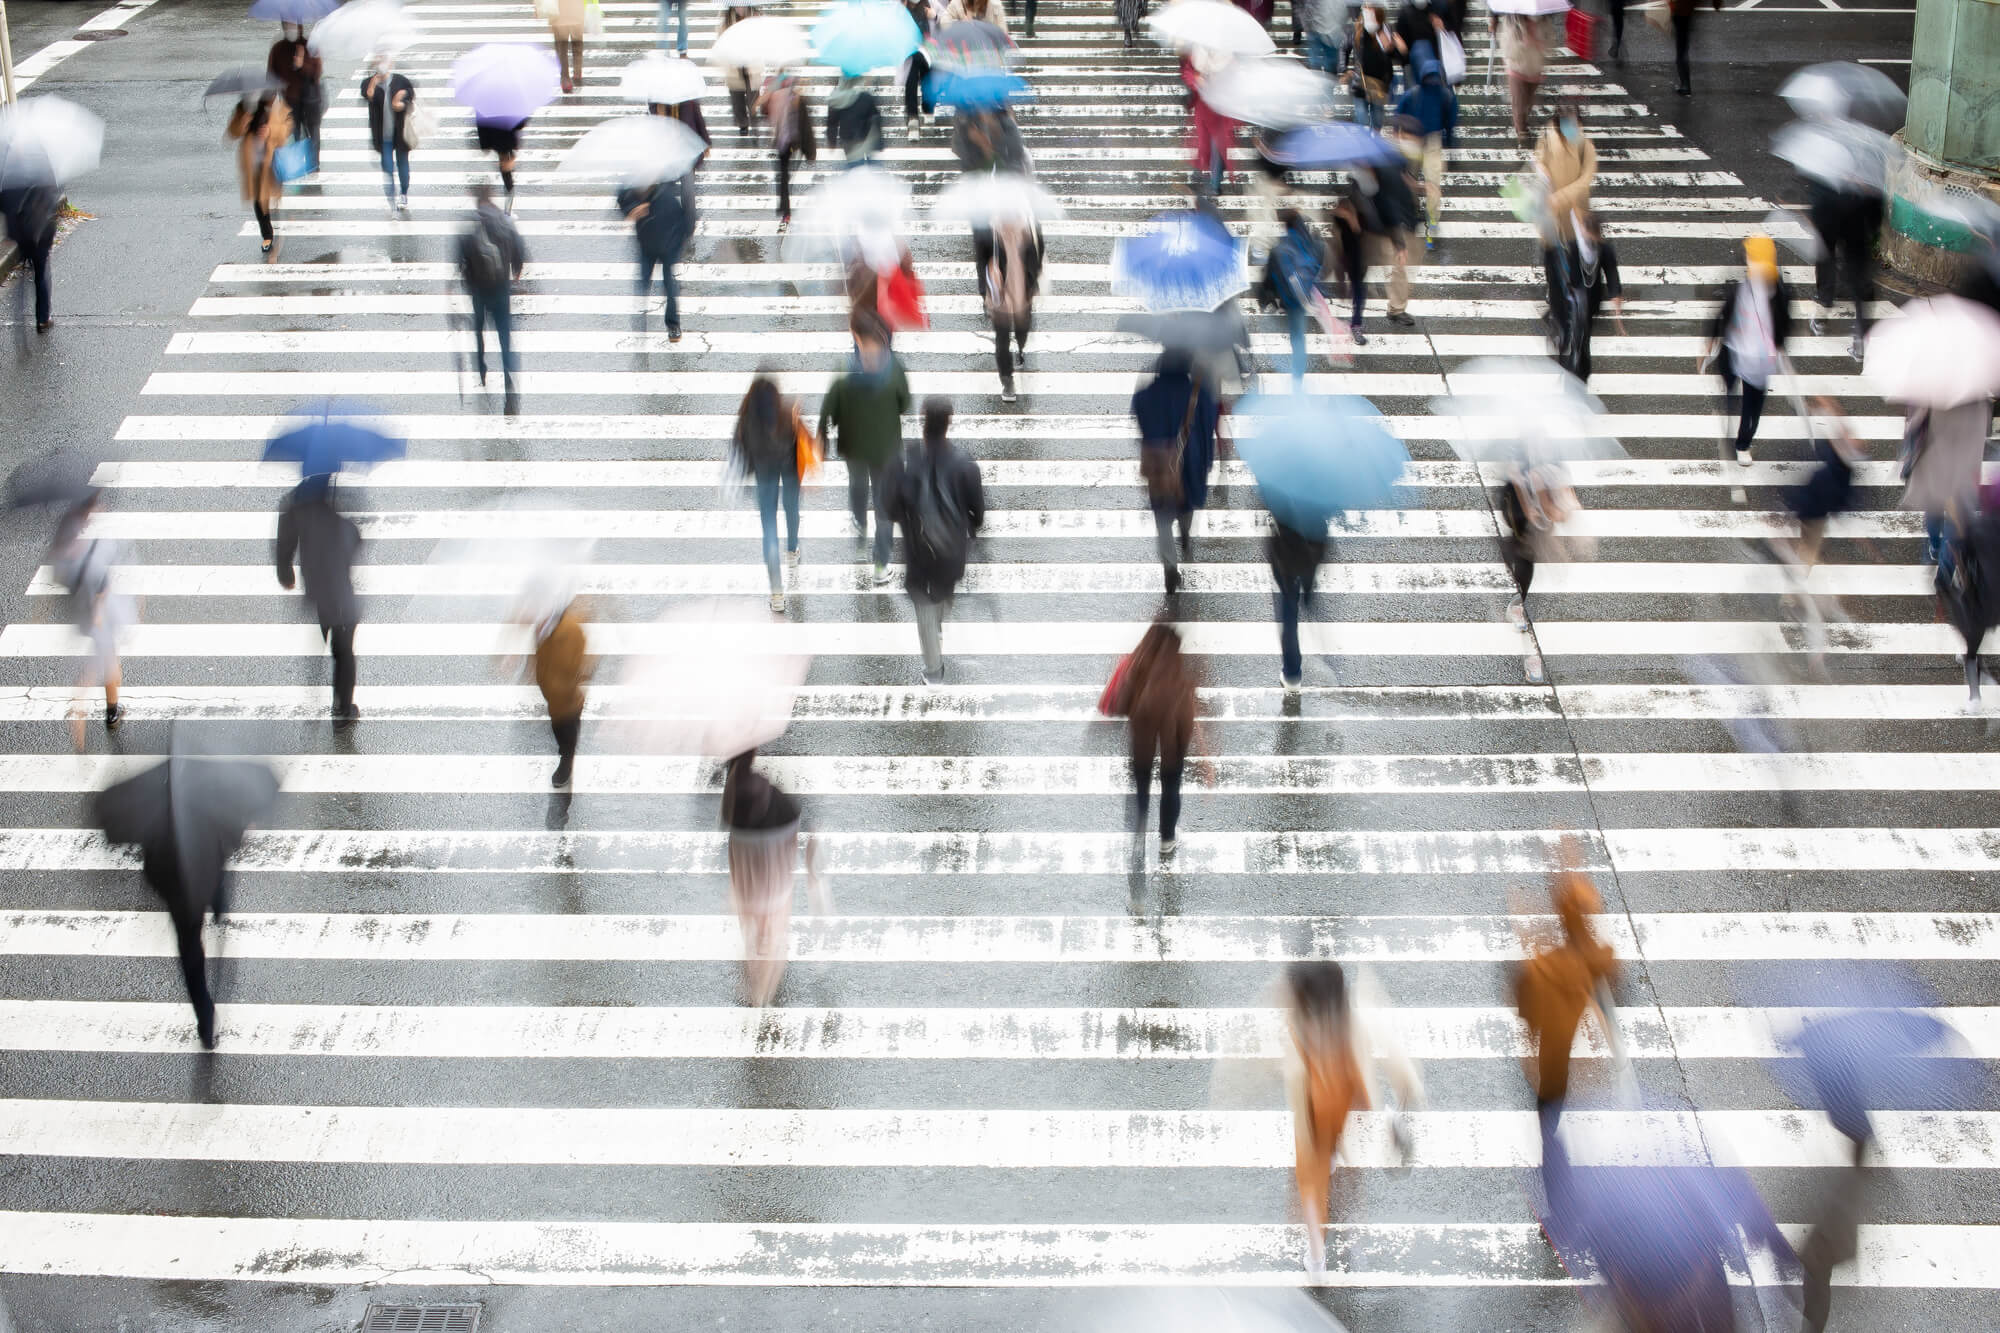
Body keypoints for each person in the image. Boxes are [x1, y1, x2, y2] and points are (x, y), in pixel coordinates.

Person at [1281, 962, 1423, 1272]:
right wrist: (1405, 1093)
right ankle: (1353, 1243)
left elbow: (1294, 1076)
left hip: (1316, 1108)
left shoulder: (1300, 1027)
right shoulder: (1353, 1019)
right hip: (1350, 1098)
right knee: (1351, 1180)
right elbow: (1395, 1056)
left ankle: (1316, 1258)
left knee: (1311, 1183)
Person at [1512, 836, 1628, 1176]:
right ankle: (1552, 1150)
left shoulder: (1544, 965)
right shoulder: (1594, 959)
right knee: (1552, 1096)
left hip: (1551, 1056)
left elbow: (1527, 1004)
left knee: (1549, 1099)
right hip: (1557, 1053)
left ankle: (1550, 1155)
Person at [883, 397, 986, 684]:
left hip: (919, 551)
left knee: (924, 608)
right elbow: (978, 515)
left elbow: (890, 508)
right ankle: (937, 627)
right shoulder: (965, 464)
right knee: (941, 597)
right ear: (948, 423)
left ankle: (933, 671)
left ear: (923, 421)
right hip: (952, 554)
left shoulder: (908, 462)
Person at [721, 749, 826, 1006]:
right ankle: (763, 992)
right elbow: (804, 834)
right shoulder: (782, 805)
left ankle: (756, 986)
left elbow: (732, 855)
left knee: (753, 932)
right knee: (775, 937)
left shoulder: (733, 813)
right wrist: (813, 876)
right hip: (776, 887)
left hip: (747, 890)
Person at [819, 313, 912, 584]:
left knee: (857, 488)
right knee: (884, 505)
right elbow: (904, 404)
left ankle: (860, 528)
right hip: (886, 449)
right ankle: (881, 564)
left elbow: (829, 411)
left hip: (854, 447)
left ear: (857, 338)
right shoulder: (894, 369)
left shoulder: (844, 371)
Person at [275, 475, 362, 727]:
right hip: (339, 588)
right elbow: (354, 539)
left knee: (328, 634)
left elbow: (285, 539)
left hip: (315, 585)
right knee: (343, 650)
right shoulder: (336, 502)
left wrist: (285, 572)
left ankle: (325, 701)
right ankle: (343, 710)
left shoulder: (295, 503)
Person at [1132, 351, 1219, 595]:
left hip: (1161, 465)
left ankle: (1170, 566)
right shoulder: (1198, 394)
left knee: (1162, 520)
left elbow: (1139, 413)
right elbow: (1209, 423)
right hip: (1190, 463)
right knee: (1186, 504)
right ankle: (1185, 529)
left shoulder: (1147, 395)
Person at [47, 493, 131, 742]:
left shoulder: (61, 552)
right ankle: (111, 713)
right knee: (106, 666)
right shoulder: (92, 552)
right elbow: (102, 588)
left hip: (80, 614)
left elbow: (57, 579)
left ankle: (98, 712)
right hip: (99, 619)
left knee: (101, 663)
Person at [1702, 235, 1792, 466]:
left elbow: (1784, 324)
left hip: (1760, 359)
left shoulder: (1780, 293)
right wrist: (1709, 342)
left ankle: (1743, 444)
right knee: (1731, 393)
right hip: (1733, 351)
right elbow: (1722, 313)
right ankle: (1734, 426)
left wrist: (1779, 346)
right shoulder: (1740, 288)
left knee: (1752, 407)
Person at [1117, 623, 1197, 854]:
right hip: (1173, 748)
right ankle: (1167, 838)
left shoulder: (1137, 667)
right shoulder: (1179, 676)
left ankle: (1139, 825)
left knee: (1141, 783)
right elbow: (1187, 718)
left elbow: (1122, 702)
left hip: (1142, 742)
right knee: (1171, 785)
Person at [1497, 462, 1577, 683]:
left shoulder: (1554, 467)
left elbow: (1563, 505)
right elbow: (1515, 474)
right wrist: (1530, 507)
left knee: (1530, 572)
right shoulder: (1530, 472)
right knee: (1526, 573)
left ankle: (1520, 605)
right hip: (1520, 512)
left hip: (1535, 521)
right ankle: (1531, 654)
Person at [733, 372, 805, 610]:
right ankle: (792, 550)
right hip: (789, 466)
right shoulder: (785, 412)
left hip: (764, 471)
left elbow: (739, 448)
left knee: (769, 527)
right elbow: (801, 438)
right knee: (792, 508)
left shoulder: (747, 420)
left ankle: (776, 594)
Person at [459, 184, 527, 414]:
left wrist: (467, 282)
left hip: (478, 291)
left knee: (478, 330)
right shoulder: (504, 223)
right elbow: (519, 254)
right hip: (500, 288)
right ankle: (508, 376)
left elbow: (461, 262)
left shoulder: (470, 226)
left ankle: (481, 368)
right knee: (504, 336)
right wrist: (515, 275)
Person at [1777, 397, 1864, 573]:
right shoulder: (1839, 466)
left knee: (1808, 541)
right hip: (1813, 510)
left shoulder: (1835, 464)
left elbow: (1840, 431)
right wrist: (1827, 405)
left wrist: (1826, 405)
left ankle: (1800, 560)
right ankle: (1802, 565)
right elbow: (1841, 431)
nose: (1853, 439)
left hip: (1811, 507)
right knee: (1810, 543)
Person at [1904, 399, 1992, 568]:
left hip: (1934, 463)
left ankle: (1935, 547)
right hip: (1962, 469)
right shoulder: (1977, 403)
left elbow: (1915, 426)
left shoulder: (1932, 398)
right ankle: (1947, 565)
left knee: (1934, 507)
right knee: (1956, 518)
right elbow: (1982, 436)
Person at [1536, 103, 1596, 343]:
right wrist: (1544, 175)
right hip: (1550, 216)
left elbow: (1586, 179)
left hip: (1574, 216)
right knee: (1552, 264)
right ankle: (1557, 313)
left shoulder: (1585, 146)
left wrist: (1560, 197)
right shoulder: (1548, 137)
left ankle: (1569, 309)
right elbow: (1539, 159)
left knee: (1573, 263)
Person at [1807, 179, 1882, 360]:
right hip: (1857, 208)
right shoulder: (1867, 167)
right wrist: (1873, 224)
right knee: (1858, 268)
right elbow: (1875, 196)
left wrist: (1815, 215)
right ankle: (1861, 337)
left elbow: (1816, 184)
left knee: (1826, 257)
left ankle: (1822, 313)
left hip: (1828, 206)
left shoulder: (1828, 165)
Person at [1390, 43, 1454, 249]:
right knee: (1429, 183)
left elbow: (1397, 115)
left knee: (1417, 179)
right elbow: (1451, 121)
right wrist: (1450, 142)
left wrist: (1398, 134)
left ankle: (1422, 216)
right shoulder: (1444, 95)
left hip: (1417, 141)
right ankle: (1426, 217)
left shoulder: (1415, 94)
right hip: (1425, 141)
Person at [619, 173, 693, 341]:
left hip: (669, 240)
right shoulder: (636, 179)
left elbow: (687, 202)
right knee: (643, 281)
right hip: (646, 240)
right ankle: (640, 321)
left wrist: (685, 233)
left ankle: (673, 325)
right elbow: (622, 195)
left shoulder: (666, 182)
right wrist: (632, 209)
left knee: (669, 284)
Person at [529, 588, 588, 787]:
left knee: (566, 732)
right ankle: (566, 756)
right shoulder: (543, 629)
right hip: (552, 695)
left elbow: (574, 668)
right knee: (558, 728)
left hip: (567, 699)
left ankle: (566, 762)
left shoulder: (570, 632)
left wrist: (559, 690)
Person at [1555, 210, 1622, 382]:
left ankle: (1580, 373)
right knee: (1572, 335)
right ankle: (1570, 366)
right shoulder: (1573, 246)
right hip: (1572, 298)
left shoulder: (1604, 249)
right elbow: (1562, 270)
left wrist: (1615, 295)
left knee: (1583, 337)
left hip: (1590, 301)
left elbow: (1611, 273)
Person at [984, 215, 1043, 402]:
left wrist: (1032, 283)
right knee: (1001, 339)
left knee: (1022, 330)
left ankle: (1021, 347)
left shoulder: (1029, 228)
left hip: (1022, 292)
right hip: (999, 295)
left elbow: (1038, 253)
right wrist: (985, 292)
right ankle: (1007, 380)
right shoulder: (990, 231)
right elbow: (981, 261)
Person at [1262, 209, 1326, 382]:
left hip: (1291, 299)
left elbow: (1270, 278)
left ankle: (1297, 377)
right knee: (1299, 338)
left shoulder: (1279, 250)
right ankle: (1298, 376)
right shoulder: (1314, 244)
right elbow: (1319, 265)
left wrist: (1267, 298)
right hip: (1306, 294)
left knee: (1296, 336)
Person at [226, 92, 292, 261]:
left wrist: (270, 131)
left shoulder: (278, 108)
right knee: (259, 199)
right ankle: (267, 235)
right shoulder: (243, 108)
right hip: (253, 161)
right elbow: (232, 133)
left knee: (271, 196)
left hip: (272, 160)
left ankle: (273, 217)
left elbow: (285, 130)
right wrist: (242, 123)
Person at [1354, 160, 1419, 331]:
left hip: (1389, 228)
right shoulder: (1360, 179)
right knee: (1360, 269)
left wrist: (1399, 242)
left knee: (1398, 267)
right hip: (1371, 230)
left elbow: (1393, 207)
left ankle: (1396, 309)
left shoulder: (1389, 171)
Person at [1270, 516, 1326, 692]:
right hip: (1313, 544)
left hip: (1287, 551)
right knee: (1306, 574)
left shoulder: (1284, 497)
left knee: (1289, 608)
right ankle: (1308, 590)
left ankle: (1292, 674)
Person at [758, 72, 816, 226]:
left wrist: (766, 96)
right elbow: (806, 126)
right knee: (785, 176)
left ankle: (785, 210)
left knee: (783, 176)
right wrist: (810, 151)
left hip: (782, 144)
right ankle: (785, 207)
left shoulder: (776, 97)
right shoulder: (797, 99)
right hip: (792, 143)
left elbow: (764, 113)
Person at [0, 182, 59, 332]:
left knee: (25, 259)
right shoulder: (40, 172)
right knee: (41, 272)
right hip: (40, 228)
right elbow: (53, 192)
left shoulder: (9, 175)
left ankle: (19, 312)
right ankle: (43, 318)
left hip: (19, 230)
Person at [361, 58, 413, 214]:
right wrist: (373, 82)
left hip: (401, 133)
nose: (381, 64)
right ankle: (391, 200)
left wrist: (401, 102)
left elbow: (410, 96)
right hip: (383, 135)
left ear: (390, 63)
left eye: (384, 60)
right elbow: (368, 95)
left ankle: (403, 193)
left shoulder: (400, 81)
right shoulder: (368, 82)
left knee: (403, 165)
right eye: (378, 60)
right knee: (388, 168)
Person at [268, 36, 324, 171]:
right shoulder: (278, 48)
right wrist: (271, 98)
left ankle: (313, 165)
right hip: (290, 99)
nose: (290, 28)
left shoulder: (310, 47)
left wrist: (301, 65)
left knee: (313, 132)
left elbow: (317, 73)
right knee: (293, 133)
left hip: (310, 100)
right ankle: (296, 164)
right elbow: (271, 75)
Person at [1186, 50, 1238, 195]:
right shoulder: (1197, 53)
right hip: (1204, 106)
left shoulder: (1228, 59)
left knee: (1218, 144)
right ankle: (1206, 173)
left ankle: (1214, 183)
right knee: (1203, 141)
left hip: (1220, 107)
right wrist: (1196, 79)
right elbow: (1188, 72)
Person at [1497, 14, 1546, 143]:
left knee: (1528, 100)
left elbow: (1548, 40)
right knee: (1518, 100)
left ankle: (1522, 120)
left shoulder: (1542, 19)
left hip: (1534, 65)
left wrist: (1539, 44)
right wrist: (1522, 43)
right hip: (1516, 66)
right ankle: (1521, 129)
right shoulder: (1511, 19)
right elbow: (1506, 45)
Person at [718, 6, 762, 133]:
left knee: (753, 96)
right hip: (734, 64)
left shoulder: (755, 15)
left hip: (752, 63)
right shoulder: (727, 19)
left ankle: (754, 120)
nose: (740, 8)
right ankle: (743, 124)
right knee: (737, 98)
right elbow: (721, 40)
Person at [1349, 5, 1394, 130]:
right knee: (1362, 120)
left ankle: (1374, 139)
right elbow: (1345, 47)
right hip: (1361, 83)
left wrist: (1389, 48)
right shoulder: (1358, 30)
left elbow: (1391, 58)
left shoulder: (1385, 30)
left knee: (1377, 122)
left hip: (1378, 84)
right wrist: (1343, 69)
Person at [1667, 0, 1720, 96]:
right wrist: (1716, 4)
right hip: (1688, 8)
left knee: (1681, 48)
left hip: (1679, 10)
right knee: (1684, 44)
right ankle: (1686, 83)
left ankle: (1685, 85)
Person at [827, 76, 884, 164]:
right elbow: (875, 119)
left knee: (853, 164)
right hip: (866, 138)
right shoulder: (865, 97)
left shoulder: (836, 98)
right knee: (871, 167)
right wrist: (879, 143)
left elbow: (832, 123)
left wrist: (832, 142)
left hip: (848, 139)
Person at [902, 0, 938, 132]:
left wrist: (935, 16)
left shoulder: (929, 5)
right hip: (909, 50)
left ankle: (928, 109)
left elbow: (945, 19)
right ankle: (913, 117)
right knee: (910, 79)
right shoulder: (901, 9)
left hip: (927, 49)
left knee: (927, 77)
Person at [475, 116, 528, 206]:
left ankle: (508, 186)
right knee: (505, 159)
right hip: (507, 135)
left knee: (504, 159)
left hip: (495, 136)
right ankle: (509, 187)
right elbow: (520, 121)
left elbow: (481, 122)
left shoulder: (486, 108)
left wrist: (484, 143)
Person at [1301, 0, 1350, 73]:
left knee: (1318, 58)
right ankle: (1326, 75)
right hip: (1327, 30)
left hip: (1322, 29)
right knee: (1327, 59)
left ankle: (1318, 74)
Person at [549, 0, 586, 95]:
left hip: (566, 9)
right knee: (569, 42)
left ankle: (570, 74)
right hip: (567, 9)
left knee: (567, 43)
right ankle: (571, 73)